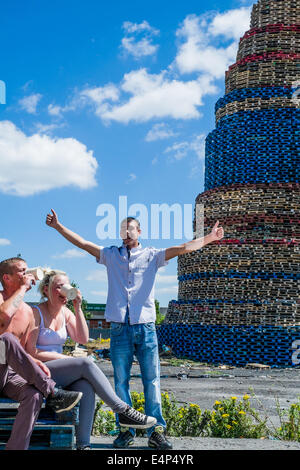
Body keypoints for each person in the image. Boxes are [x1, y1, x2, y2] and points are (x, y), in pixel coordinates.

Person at [46, 209, 224, 449]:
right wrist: (58, 226)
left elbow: (182, 247)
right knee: (120, 382)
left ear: (139, 232)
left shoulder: (152, 255)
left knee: (152, 381)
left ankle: (156, 432)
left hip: (146, 328)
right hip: (119, 329)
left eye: (130, 229)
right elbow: (83, 243)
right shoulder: (110, 255)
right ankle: (126, 431)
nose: (125, 233)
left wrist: (210, 238)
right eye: (122, 230)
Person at [25, 269, 157, 450]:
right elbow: (30, 351)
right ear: (46, 290)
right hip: (39, 371)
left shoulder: (66, 313)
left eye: (66, 286)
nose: (63, 290)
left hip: (59, 372)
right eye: (58, 287)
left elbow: (83, 339)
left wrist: (77, 307)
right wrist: (63, 358)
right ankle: (122, 410)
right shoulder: (35, 312)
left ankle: (83, 445)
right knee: (86, 363)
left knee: (86, 386)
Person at [0, 257, 83, 450]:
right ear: (7, 277)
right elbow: (3, 321)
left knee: (34, 395)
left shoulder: (28, 311)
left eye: (27, 270)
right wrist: (23, 289)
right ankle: (52, 391)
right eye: (21, 271)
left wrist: (33, 362)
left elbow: (21, 351)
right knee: (6, 339)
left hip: (10, 375)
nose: (27, 274)